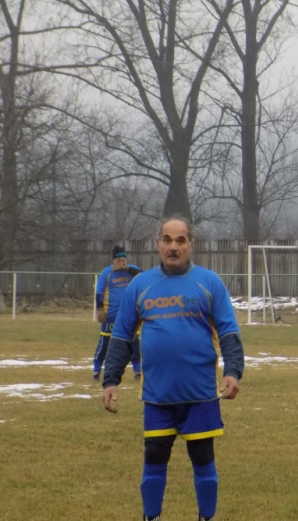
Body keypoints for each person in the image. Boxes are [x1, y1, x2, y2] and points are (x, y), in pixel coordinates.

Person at [102, 218, 245, 521]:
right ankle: (150, 517)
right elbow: (121, 336)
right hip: (158, 395)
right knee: (154, 458)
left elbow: (229, 332)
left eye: (180, 240)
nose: (173, 246)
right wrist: (110, 381)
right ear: (158, 244)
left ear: (190, 244)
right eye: (167, 240)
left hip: (200, 394)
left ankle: (207, 517)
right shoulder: (141, 285)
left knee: (203, 459)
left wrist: (233, 371)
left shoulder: (209, 283)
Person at [93, 246, 142, 381]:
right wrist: (100, 309)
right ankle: (96, 370)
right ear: (113, 261)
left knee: (134, 344)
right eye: (119, 260)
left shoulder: (131, 270)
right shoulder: (107, 273)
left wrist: (128, 269)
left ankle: (138, 371)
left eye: (124, 260)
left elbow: (144, 276)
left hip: (129, 315)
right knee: (105, 344)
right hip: (111, 315)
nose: (121, 263)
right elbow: (99, 292)